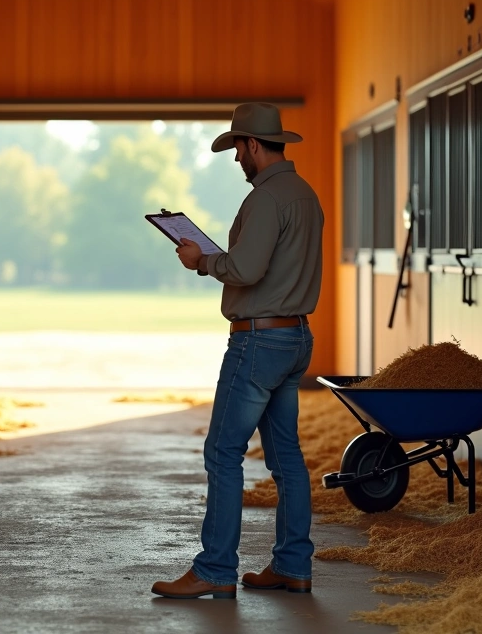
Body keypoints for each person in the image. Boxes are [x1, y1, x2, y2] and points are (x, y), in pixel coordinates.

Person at [151, 102, 324, 600]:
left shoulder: (267, 200)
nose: (236, 161)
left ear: (251, 145)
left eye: (237, 150)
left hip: (258, 341)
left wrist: (201, 260)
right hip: (295, 338)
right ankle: (293, 565)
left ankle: (215, 570)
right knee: (286, 457)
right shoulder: (306, 196)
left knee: (223, 453)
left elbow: (246, 269)